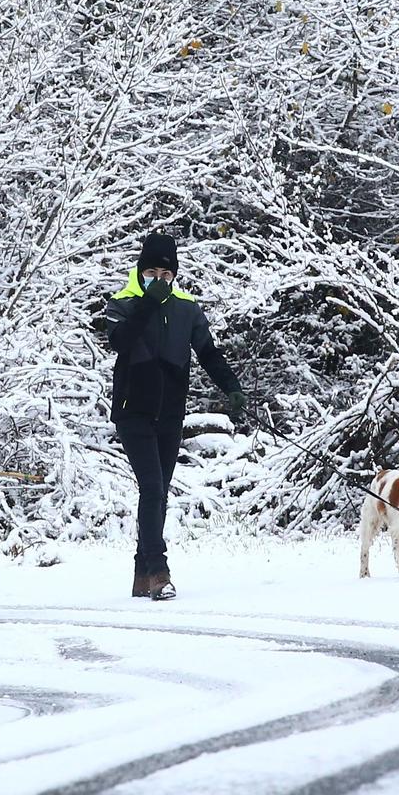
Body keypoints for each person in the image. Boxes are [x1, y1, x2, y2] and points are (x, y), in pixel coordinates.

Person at [102, 233, 247, 601]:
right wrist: (148, 304)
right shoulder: (123, 302)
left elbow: (209, 354)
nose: (159, 279)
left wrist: (232, 387)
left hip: (170, 413)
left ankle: (140, 572)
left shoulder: (188, 308)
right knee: (151, 487)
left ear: (174, 274)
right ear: (140, 271)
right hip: (132, 410)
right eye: (151, 271)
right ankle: (158, 570)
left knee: (159, 493)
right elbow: (119, 341)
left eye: (165, 273)